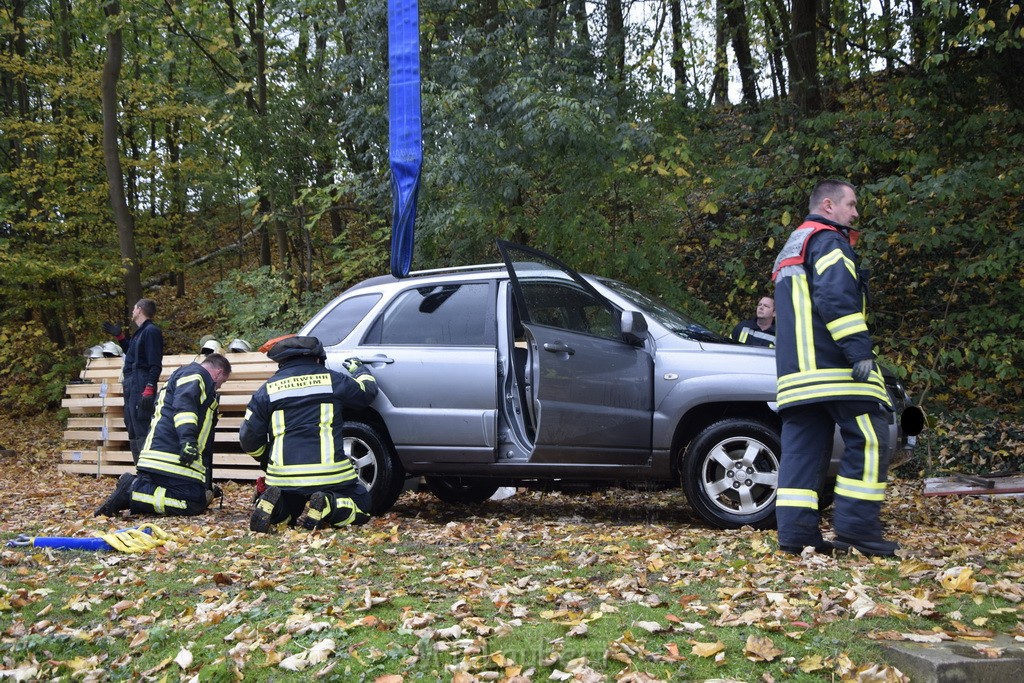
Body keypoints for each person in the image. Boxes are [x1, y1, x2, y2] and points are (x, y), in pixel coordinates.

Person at [771, 179, 896, 557]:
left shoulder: (793, 245)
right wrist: (859, 351)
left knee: (802, 452)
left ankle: (796, 536)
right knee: (872, 438)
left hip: (796, 376)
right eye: (852, 205)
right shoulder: (828, 241)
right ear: (828, 205)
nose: (856, 213)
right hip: (834, 369)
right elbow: (836, 299)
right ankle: (857, 531)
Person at [240, 335, 379, 532]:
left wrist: (267, 459)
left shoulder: (266, 391)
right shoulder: (332, 380)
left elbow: (248, 439)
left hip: (283, 477)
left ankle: (275, 508)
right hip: (331, 475)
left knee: (290, 505)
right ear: (317, 359)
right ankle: (329, 505)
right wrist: (359, 370)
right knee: (362, 505)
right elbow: (367, 392)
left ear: (282, 363)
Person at [94, 353, 232, 518]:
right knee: (192, 504)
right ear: (217, 372)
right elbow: (184, 407)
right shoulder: (196, 375)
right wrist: (188, 440)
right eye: (222, 381)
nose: (219, 387)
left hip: (166, 455)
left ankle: (139, 487)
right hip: (169, 458)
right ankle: (133, 491)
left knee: (198, 496)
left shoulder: (187, 375)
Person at [104, 299, 164, 463]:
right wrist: (120, 336)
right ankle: (140, 471)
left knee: (141, 426)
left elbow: (155, 364)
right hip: (131, 383)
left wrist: (150, 386)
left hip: (141, 383)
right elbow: (131, 352)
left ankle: (148, 472)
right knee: (131, 426)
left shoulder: (151, 331)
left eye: (134, 308)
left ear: (140, 310)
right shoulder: (140, 333)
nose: (132, 311)